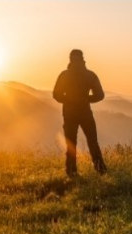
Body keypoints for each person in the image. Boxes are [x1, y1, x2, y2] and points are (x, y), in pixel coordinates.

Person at [53, 49, 106, 177]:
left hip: (69, 113)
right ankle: (100, 170)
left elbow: (56, 94)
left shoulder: (64, 75)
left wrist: (68, 100)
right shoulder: (90, 75)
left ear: (70, 59)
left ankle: (71, 172)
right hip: (85, 113)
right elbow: (100, 95)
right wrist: (86, 99)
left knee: (71, 143)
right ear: (83, 59)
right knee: (92, 142)